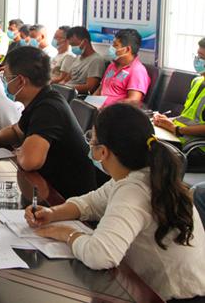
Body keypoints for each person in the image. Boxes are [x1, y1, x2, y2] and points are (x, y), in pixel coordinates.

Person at [26, 104, 205, 301]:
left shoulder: (135, 190)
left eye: (92, 139)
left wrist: (67, 234)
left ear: (103, 151)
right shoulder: (142, 175)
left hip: (178, 298)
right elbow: (91, 203)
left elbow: (100, 255)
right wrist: (53, 213)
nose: (90, 145)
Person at [0, 46, 97, 198]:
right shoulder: (41, 99)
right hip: (48, 186)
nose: (5, 82)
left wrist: (21, 151)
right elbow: (16, 131)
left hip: (66, 198)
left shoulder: (49, 108)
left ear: (20, 80)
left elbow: (30, 161)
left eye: (6, 77)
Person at [154, 37, 205, 163]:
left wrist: (176, 129)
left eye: (202, 57)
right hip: (180, 136)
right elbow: (188, 116)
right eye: (197, 56)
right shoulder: (197, 81)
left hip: (196, 147)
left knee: (149, 151)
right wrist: (167, 121)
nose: (198, 60)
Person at [95, 28, 150, 106]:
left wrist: (108, 107)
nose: (111, 48)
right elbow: (101, 89)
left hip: (114, 111)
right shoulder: (112, 66)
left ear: (127, 49)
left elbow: (133, 101)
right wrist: (89, 104)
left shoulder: (137, 71)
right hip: (98, 107)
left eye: (115, 45)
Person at [59, 26, 105, 94]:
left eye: (74, 44)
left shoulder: (96, 60)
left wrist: (67, 89)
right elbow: (67, 79)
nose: (73, 48)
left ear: (85, 41)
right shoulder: (78, 57)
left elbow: (90, 87)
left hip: (76, 95)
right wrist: (60, 86)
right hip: (66, 91)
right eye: (71, 45)